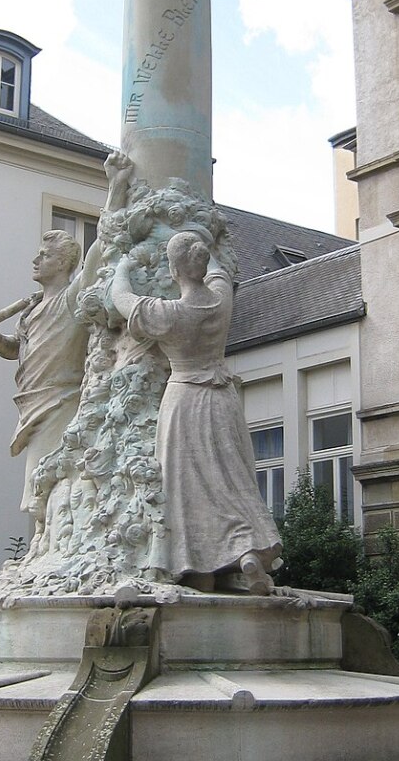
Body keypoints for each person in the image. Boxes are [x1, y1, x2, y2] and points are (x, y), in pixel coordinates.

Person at [110, 230, 280, 593]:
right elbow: (218, 270)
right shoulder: (221, 301)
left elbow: (120, 297)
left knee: (187, 487)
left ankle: (197, 566)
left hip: (185, 400)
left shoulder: (169, 314)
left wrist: (125, 265)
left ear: (173, 270)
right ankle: (248, 549)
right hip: (222, 401)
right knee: (231, 479)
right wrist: (201, 237)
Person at [0, 153, 133, 512]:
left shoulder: (71, 299)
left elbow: (99, 249)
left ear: (62, 263)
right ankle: (44, 543)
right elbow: (16, 350)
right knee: (43, 486)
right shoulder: (30, 309)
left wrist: (116, 187)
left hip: (60, 399)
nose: (35, 260)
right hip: (32, 401)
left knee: (46, 485)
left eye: (43, 255)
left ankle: (47, 543)